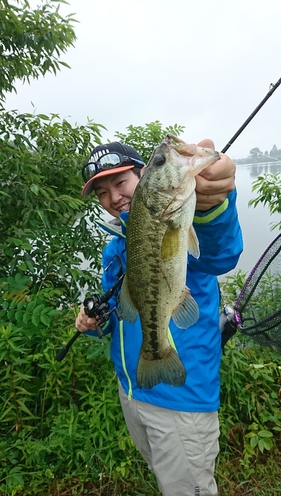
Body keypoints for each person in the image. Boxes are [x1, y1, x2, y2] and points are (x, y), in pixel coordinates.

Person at [76, 138, 243, 496]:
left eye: (121, 182)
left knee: (187, 488)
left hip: (181, 398)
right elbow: (122, 312)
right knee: (166, 477)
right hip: (133, 389)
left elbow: (220, 255)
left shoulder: (181, 212)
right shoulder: (116, 245)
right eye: (102, 192)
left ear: (142, 176)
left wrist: (215, 204)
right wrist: (93, 322)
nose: (113, 197)